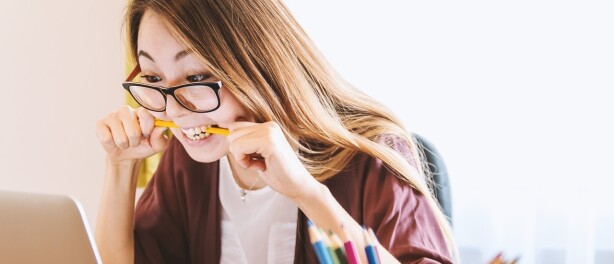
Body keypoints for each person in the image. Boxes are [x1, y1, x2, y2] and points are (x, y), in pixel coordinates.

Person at [94, 0, 457, 263]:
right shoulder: (192, 157)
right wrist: (121, 166)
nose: (174, 110)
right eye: (154, 78)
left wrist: (304, 191)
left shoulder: (371, 155)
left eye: (197, 78)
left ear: (257, 65)